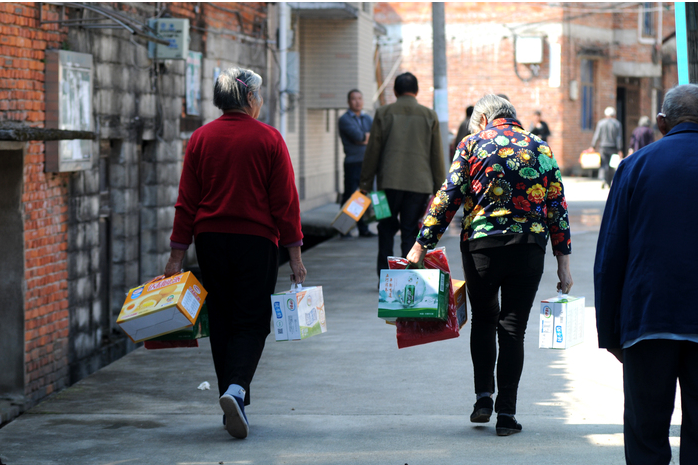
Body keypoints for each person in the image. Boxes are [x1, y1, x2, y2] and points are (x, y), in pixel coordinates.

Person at [406, 94, 573, 436]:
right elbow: (557, 205)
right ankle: (507, 415)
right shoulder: (540, 147)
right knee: (513, 328)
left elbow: (448, 196)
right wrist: (563, 263)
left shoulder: (472, 143)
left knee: (484, 319)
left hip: (482, 246)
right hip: (529, 247)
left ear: (483, 119)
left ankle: (483, 399)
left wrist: (421, 245)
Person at [165, 67, 306, 440]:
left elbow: (186, 203)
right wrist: (295, 255)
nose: (260, 103)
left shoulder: (200, 138)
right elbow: (285, 203)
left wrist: (176, 257)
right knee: (253, 321)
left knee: (222, 321)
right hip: (256, 242)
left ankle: (234, 399)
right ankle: (237, 389)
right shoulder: (269, 139)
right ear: (248, 99)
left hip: (209, 242)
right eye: (258, 96)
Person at [594, 84, 698, 464]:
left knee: (646, 433)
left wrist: (610, 332)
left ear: (661, 122)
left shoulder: (634, 166)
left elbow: (610, 254)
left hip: (647, 319)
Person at [359, 72, 445, 276]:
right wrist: (439, 189)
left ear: (395, 91)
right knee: (410, 232)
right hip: (419, 186)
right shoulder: (429, 115)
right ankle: (409, 277)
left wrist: (365, 183)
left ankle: (384, 279)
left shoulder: (383, 113)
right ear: (416, 91)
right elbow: (436, 155)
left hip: (386, 186)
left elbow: (373, 151)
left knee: (385, 230)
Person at [338, 89, 375, 238]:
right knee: (350, 196)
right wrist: (366, 137)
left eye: (360, 98)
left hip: (367, 163)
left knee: (363, 197)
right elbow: (358, 136)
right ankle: (343, 228)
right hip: (353, 163)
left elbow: (376, 136)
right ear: (349, 102)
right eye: (354, 99)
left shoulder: (367, 118)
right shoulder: (344, 119)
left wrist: (366, 138)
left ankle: (363, 229)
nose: (357, 101)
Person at [589, 106, 623, 188]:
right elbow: (619, 137)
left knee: (603, 164)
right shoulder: (617, 124)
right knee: (612, 165)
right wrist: (620, 149)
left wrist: (593, 146)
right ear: (614, 115)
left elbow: (597, 135)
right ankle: (609, 181)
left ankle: (603, 179)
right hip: (613, 147)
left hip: (603, 147)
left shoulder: (601, 123)